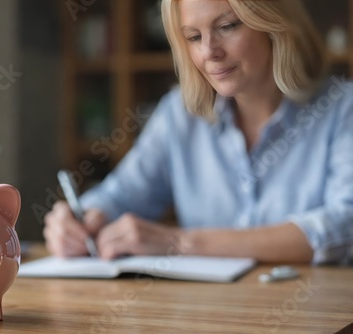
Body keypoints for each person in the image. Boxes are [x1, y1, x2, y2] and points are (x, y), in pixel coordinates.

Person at [44, 0, 353, 264]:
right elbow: (122, 194)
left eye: (228, 26)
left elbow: (344, 225)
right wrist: (82, 220)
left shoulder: (342, 109)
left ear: (274, 24)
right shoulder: (179, 115)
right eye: (193, 37)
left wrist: (180, 243)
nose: (209, 52)